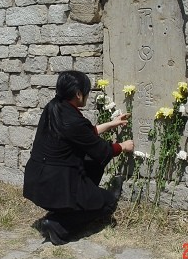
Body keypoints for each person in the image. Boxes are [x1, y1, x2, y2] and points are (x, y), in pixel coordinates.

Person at [23, 70, 135, 245]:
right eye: (86, 92)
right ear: (78, 93)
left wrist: (112, 124)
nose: (87, 96)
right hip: (56, 185)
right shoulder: (73, 120)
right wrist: (122, 146)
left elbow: (83, 134)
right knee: (107, 204)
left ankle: (68, 208)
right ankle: (58, 225)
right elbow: (100, 150)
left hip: (38, 180)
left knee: (91, 162)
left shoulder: (54, 107)